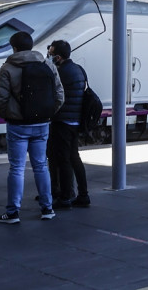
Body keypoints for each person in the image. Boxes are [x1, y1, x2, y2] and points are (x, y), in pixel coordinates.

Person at [0, 32, 63, 224]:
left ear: (13, 47)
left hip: (18, 125)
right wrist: (47, 113)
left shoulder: (8, 67)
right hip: (42, 123)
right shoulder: (47, 64)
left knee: (16, 168)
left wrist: (9, 114)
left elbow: (0, 98)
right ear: (31, 46)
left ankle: (13, 212)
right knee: (41, 165)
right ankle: (47, 208)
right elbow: (59, 94)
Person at [46, 40, 91, 209]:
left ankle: (65, 197)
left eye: (50, 54)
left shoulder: (61, 72)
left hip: (62, 121)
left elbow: (53, 95)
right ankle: (83, 194)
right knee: (74, 158)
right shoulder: (78, 69)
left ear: (58, 57)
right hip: (75, 121)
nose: (49, 56)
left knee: (63, 160)